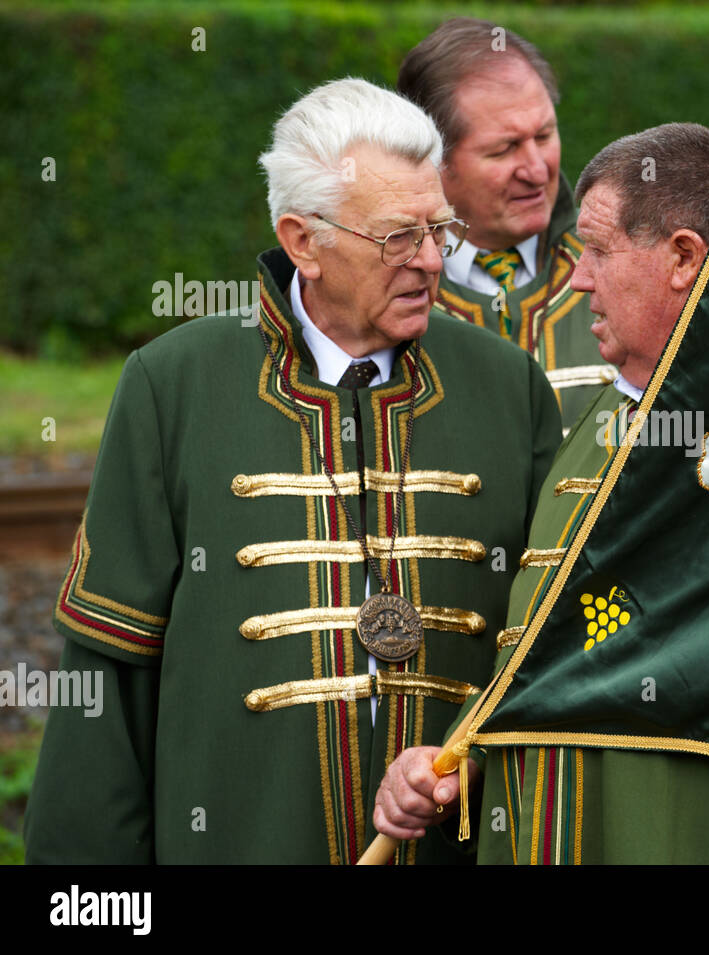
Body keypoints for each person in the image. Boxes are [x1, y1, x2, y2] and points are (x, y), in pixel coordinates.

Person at [24, 78, 561, 864]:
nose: (431, 261)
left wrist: (474, 765)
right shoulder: (172, 385)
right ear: (303, 239)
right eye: (396, 238)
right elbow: (108, 677)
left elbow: (553, 642)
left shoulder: (509, 387)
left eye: (439, 228)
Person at [373, 123, 709, 863]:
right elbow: (544, 656)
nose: (578, 279)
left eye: (599, 251)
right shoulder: (600, 420)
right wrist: (458, 755)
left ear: (683, 258)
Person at [398, 18, 613, 434]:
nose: (536, 169)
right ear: (433, 160)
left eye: (545, 135)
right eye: (504, 149)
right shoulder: (381, 296)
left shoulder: (626, 269)